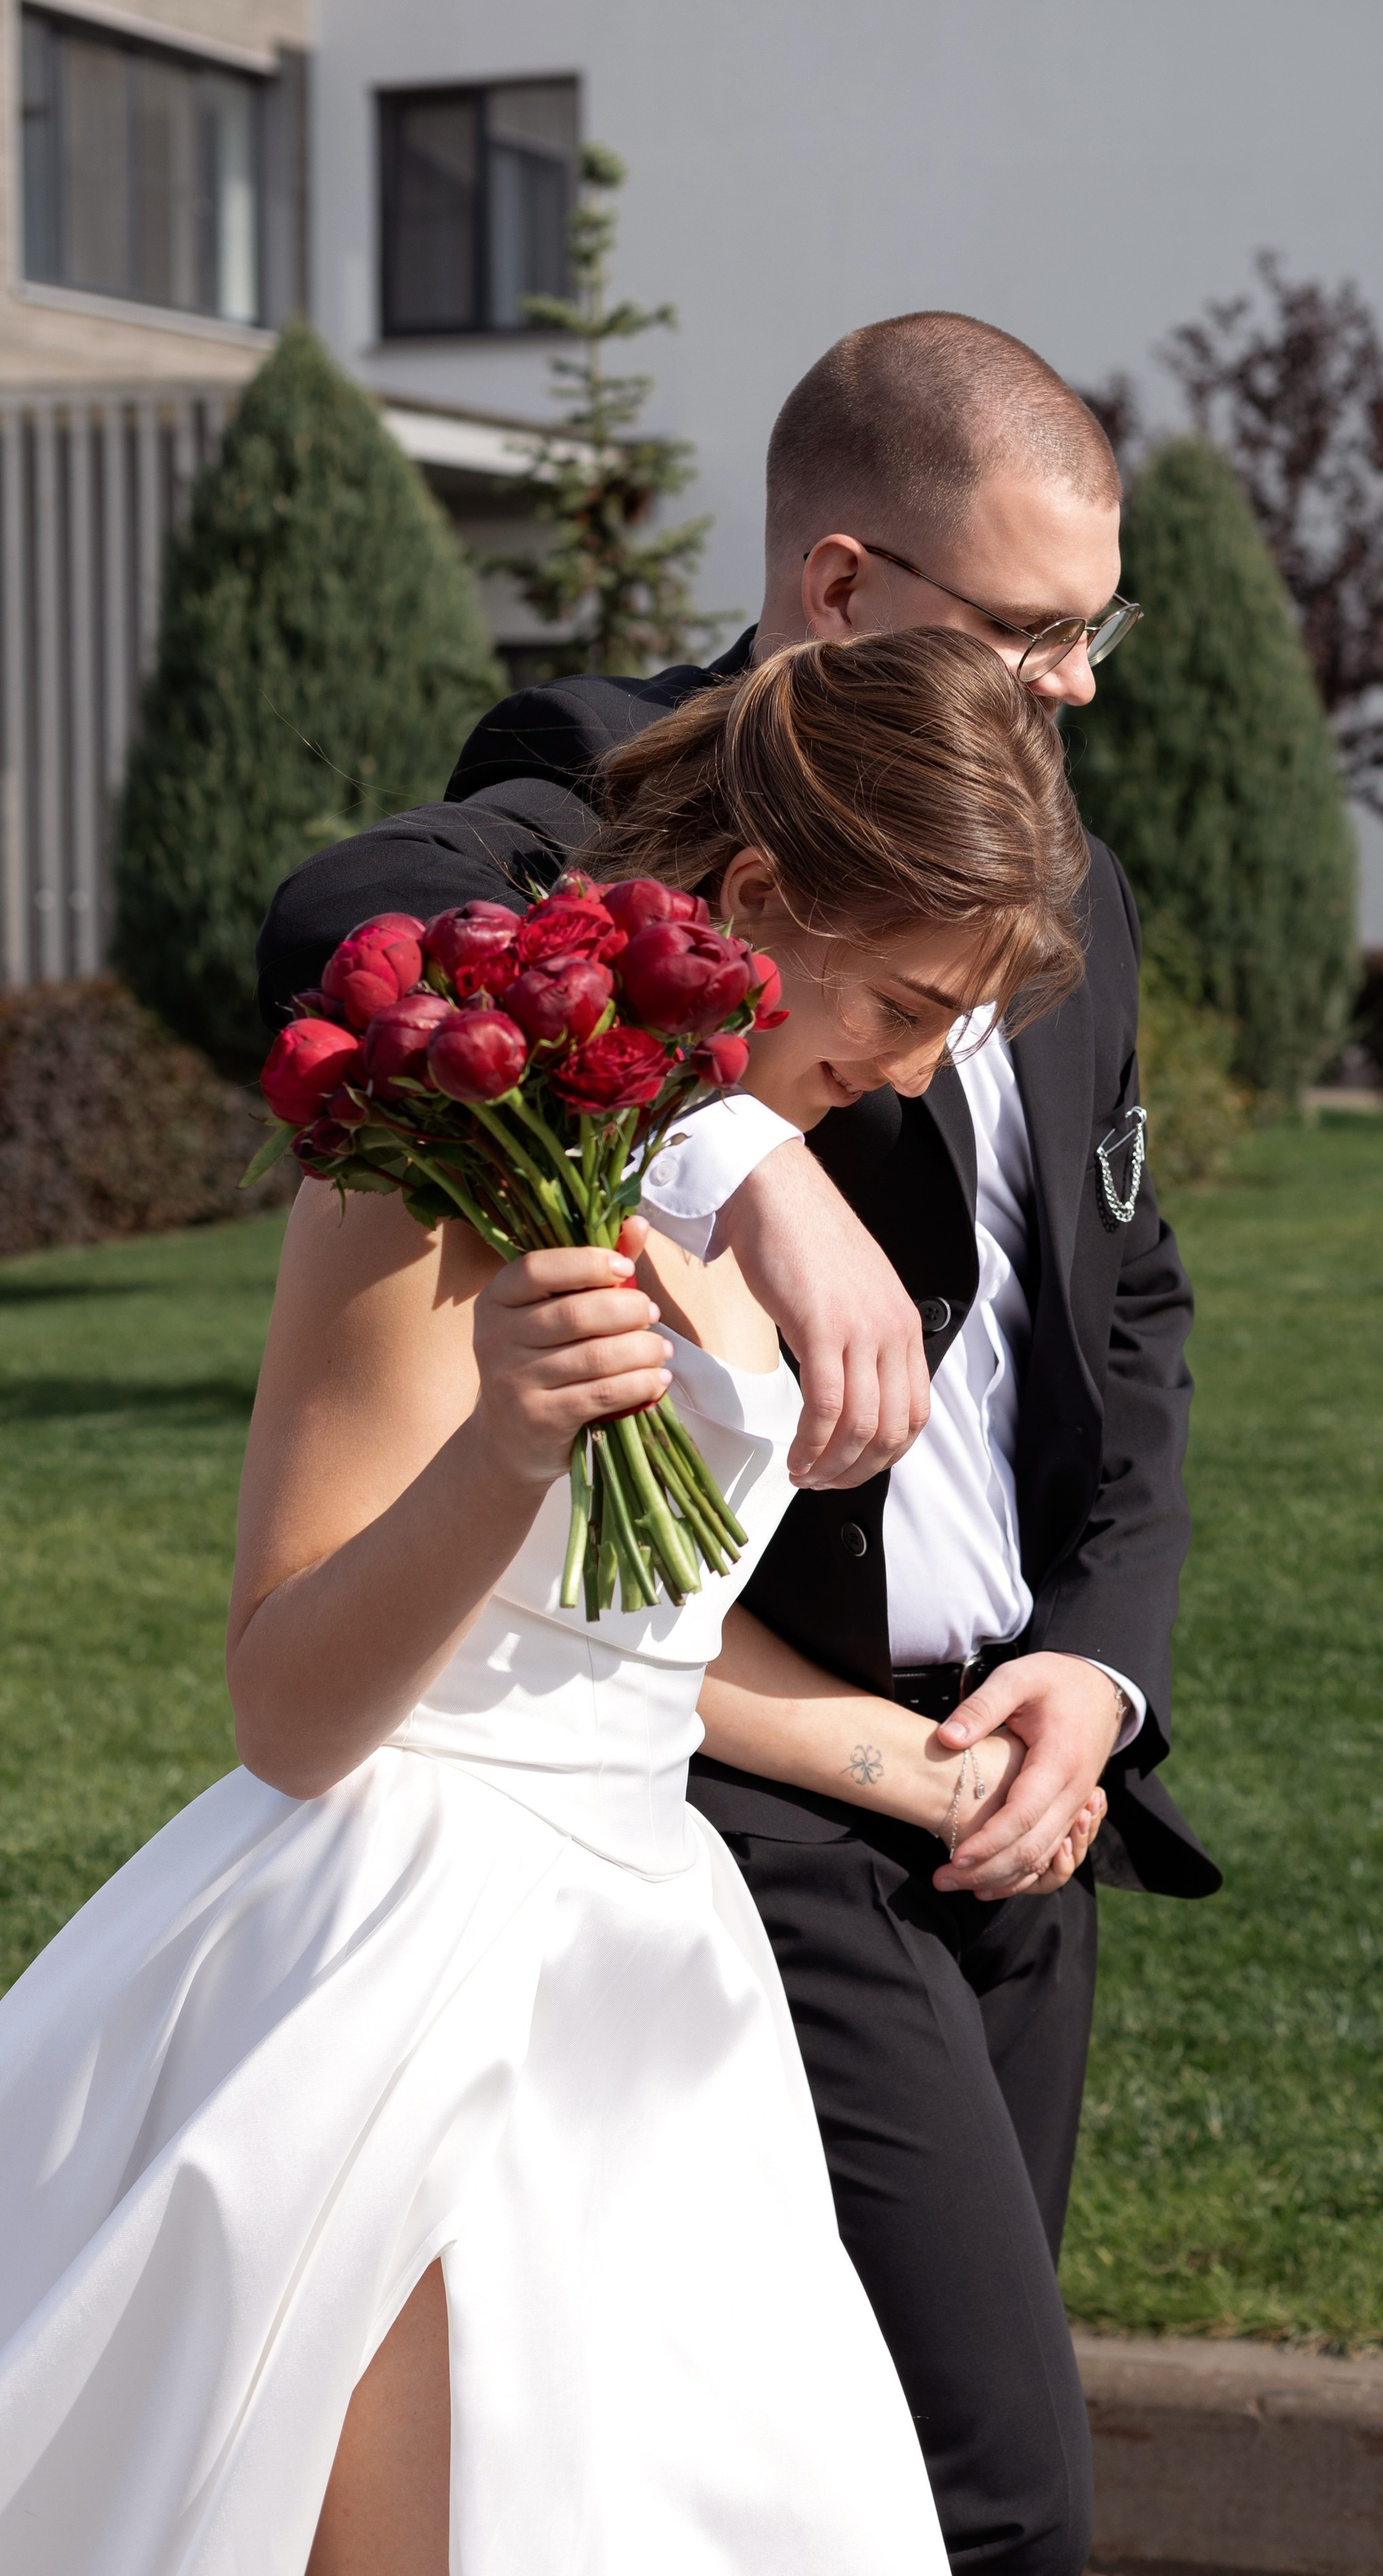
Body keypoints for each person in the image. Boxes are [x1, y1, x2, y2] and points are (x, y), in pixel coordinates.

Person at [258, 312, 1220, 2576]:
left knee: (860, 2478)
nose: (1076, 685)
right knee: (986, 2489)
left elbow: (1125, 1308)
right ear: (845, 586)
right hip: (728, 1791)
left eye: (1098, 633)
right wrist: (722, 1145)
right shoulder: (615, 787)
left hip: (1007, 1779)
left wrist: (1097, 1670)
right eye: (1032, 629)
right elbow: (349, 936)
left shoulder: (1063, 874)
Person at [0, 629, 1105, 2575]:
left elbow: (627, 1637)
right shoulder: (442, 1157)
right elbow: (288, 1711)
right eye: (908, 1002)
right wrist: (501, 1450)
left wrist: (914, 1763)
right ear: (755, 899)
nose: (919, 1071)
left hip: (660, 1973)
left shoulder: (760, 1174)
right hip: (402, 1956)